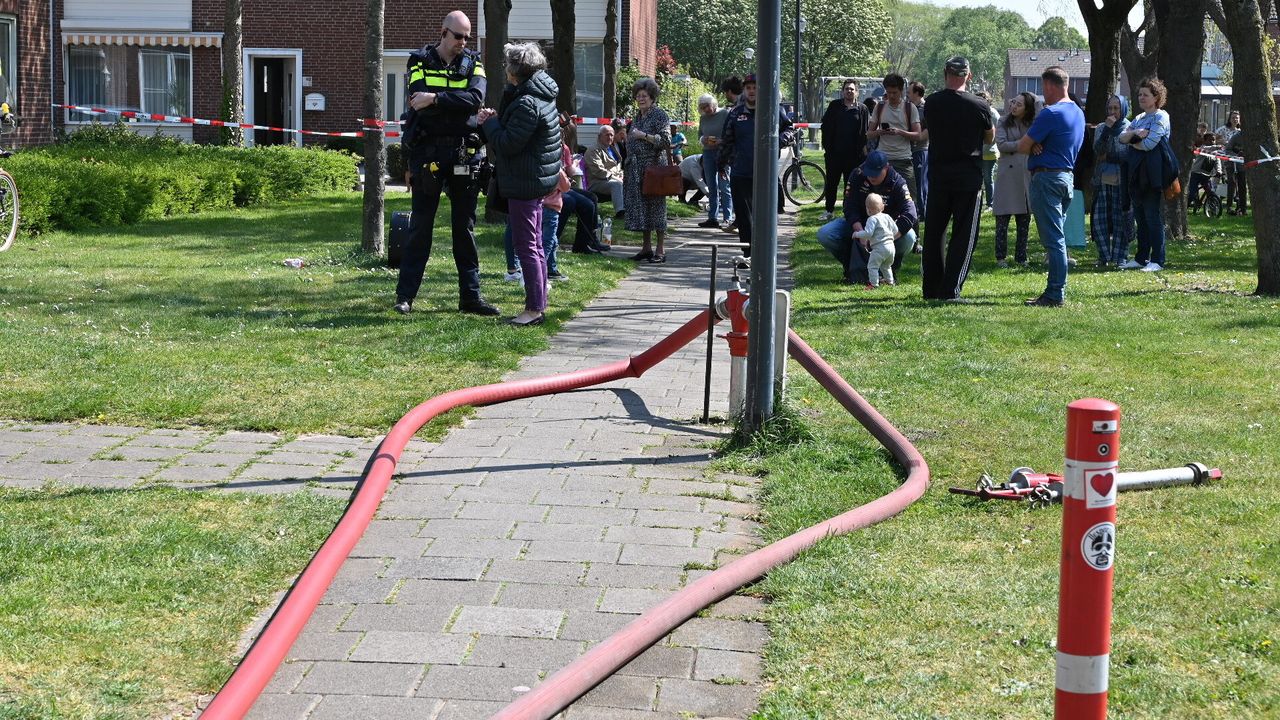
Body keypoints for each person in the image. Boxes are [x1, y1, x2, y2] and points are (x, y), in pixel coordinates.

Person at [393, 11, 499, 316]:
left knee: (464, 230)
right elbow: (417, 103)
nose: (463, 43)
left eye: (466, 37)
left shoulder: (473, 62)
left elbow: (475, 99)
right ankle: (405, 297)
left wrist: (436, 99)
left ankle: (471, 297)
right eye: (457, 36)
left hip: (465, 153)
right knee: (420, 228)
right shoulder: (419, 61)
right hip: (428, 155)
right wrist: (452, 99)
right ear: (443, 32)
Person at [478, 42, 562, 327]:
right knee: (535, 244)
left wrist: (488, 124)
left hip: (525, 181)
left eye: (506, 66)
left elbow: (506, 144)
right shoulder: (538, 92)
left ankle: (534, 309)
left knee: (526, 246)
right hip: (535, 178)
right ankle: (538, 302)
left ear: (515, 71)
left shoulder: (528, 102)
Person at [919, 56, 993, 301]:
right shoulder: (979, 105)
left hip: (939, 175)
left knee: (934, 233)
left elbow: (928, 130)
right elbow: (989, 138)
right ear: (968, 76)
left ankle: (931, 289)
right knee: (963, 234)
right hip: (968, 178)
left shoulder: (931, 102)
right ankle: (951, 290)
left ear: (945, 73)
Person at [1019, 66, 1085, 307]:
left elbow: (1023, 146)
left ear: (1049, 85)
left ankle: (1055, 293)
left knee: (1054, 240)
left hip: (1047, 178)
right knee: (1058, 238)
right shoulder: (1078, 112)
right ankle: (1056, 290)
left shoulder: (1050, 113)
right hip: (1066, 178)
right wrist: (1037, 143)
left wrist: (1034, 144)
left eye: (1043, 88)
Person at [719, 73, 795, 259]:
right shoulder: (736, 113)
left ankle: (765, 255)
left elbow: (789, 129)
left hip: (765, 174)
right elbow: (727, 140)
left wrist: (781, 140)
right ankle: (748, 253)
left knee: (764, 217)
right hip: (741, 172)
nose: (752, 91)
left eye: (755, 87)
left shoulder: (772, 110)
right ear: (744, 91)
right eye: (748, 88)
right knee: (744, 218)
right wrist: (721, 163)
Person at [815, 150, 918, 284]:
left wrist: (887, 237)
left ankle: (890, 268)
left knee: (909, 237)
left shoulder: (897, 181)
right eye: (869, 173)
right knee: (825, 234)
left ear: (886, 168)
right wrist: (860, 232)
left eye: (876, 174)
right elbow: (849, 206)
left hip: (887, 230)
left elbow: (910, 213)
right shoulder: (857, 174)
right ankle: (852, 267)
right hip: (860, 225)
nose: (871, 177)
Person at [1118, 77, 1172, 271]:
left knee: (1152, 218)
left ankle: (1158, 260)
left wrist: (1133, 138)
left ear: (1156, 97)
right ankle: (1141, 258)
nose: (1141, 97)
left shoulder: (1161, 117)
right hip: (1136, 174)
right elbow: (1121, 138)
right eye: (1139, 94)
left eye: (1145, 95)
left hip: (1153, 175)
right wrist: (1137, 133)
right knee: (1140, 217)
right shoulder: (1140, 118)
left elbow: (1150, 144)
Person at [623, 77, 672, 263]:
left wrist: (643, 136)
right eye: (638, 96)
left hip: (653, 169)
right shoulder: (637, 117)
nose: (641, 99)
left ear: (652, 97)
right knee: (642, 208)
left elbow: (665, 141)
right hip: (636, 169)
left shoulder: (659, 115)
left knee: (656, 207)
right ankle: (646, 248)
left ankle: (660, 250)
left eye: (644, 96)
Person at [1090, 93, 1135, 268]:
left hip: (1122, 178)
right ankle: (1103, 256)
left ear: (1123, 108)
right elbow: (1098, 150)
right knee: (1100, 219)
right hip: (1103, 177)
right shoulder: (1102, 128)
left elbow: (1129, 154)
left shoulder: (1130, 127)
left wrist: (1114, 156)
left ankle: (1120, 256)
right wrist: (1107, 131)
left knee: (1120, 218)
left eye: (1116, 108)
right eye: (1110, 108)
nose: (1113, 111)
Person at [992, 92, 1036, 268]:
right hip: (1007, 175)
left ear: (1027, 108)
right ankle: (1000, 257)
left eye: (1019, 104)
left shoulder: (1032, 123)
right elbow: (1001, 144)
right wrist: (1025, 145)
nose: (1014, 107)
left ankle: (1021, 256)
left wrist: (1019, 145)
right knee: (1002, 219)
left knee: (1023, 219)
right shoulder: (1003, 121)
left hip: (1025, 174)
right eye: (1013, 103)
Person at [819, 79, 869, 222]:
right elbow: (826, 125)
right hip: (834, 154)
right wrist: (828, 147)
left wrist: (862, 152)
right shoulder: (835, 106)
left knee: (851, 185)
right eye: (847, 89)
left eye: (852, 89)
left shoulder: (862, 109)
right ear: (842, 91)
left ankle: (849, 211)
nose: (849, 91)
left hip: (854, 156)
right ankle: (829, 210)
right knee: (831, 183)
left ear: (857, 92)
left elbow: (865, 131)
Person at [866, 73, 921, 191]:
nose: (891, 95)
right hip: (882, 160)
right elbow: (869, 134)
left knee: (910, 199)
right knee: (879, 199)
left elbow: (918, 135)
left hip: (903, 160)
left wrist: (899, 132)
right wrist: (880, 132)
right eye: (888, 92)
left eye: (894, 92)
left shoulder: (910, 108)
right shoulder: (879, 107)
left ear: (901, 91)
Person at [697, 94, 732, 228]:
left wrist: (721, 141)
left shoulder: (725, 114)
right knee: (711, 186)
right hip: (707, 152)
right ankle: (712, 217)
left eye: (707, 106)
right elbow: (700, 134)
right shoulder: (703, 118)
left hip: (723, 153)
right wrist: (702, 140)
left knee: (724, 185)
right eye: (703, 107)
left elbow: (731, 133)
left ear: (714, 104)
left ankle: (727, 218)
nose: (706, 109)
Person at [853, 193, 898, 288]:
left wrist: (857, 234)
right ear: (882, 207)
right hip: (891, 247)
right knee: (886, 266)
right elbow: (896, 230)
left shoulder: (872, 219)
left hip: (879, 248)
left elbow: (868, 234)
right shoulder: (887, 217)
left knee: (872, 266)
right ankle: (890, 282)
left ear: (868, 209)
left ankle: (874, 285)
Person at [586, 125, 626, 218]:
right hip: (597, 182)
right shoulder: (593, 150)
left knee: (632, 182)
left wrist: (621, 175)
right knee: (616, 184)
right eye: (607, 135)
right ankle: (620, 212)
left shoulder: (612, 148)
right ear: (599, 136)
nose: (610, 137)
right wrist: (616, 178)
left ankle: (634, 212)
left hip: (612, 179)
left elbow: (617, 167)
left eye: (612, 135)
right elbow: (598, 171)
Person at [975, 90, 1000, 208]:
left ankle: (990, 203)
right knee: (978, 178)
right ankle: (978, 202)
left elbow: (997, 133)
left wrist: (987, 141)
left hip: (989, 152)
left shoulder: (993, 113)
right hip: (977, 152)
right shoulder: (975, 112)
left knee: (988, 178)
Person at [909, 80, 930, 218]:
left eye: (909, 92)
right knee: (913, 182)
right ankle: (916, 209)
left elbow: (929, 129)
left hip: (922, 149)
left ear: (917, 93)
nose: (907, 95)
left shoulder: (926, 108)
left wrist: (918, 137)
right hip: (909, 150)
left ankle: (923, 212)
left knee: (921, 182)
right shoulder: (909, 107)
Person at [1216, 110, 1242, 213]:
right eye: (1233, 117)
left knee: (1239, 181)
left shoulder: (1240, 132)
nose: (1235, 119)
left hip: (1238, 158)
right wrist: (1223, 142)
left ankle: (1239, 204)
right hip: (1225, 157)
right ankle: (1225, 201)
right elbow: (1215, 139)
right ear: (1229, 119)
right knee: (1229, 180)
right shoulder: (1223, 129)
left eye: (1237, 118)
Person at [1187, 133, 1220, 211]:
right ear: (1204, 141)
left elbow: (1217, 162)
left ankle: (1213, 208)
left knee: (1210, 191)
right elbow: (1209, 148)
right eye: (1210, 140)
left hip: (1206, 175)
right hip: (1196, 173)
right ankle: (1185, 207)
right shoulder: (1202, 149)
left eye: (1214, 140)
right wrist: (1217, 147)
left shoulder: (1215, 152)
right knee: (1192, 193)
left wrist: (1219, 171)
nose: (1212, 141)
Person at [1225, 123, 1248, 215]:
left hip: (1242, 166)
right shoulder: (1235, 137)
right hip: (1231, 164)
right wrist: (1237, 156)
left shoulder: (1252, 138)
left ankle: (1243, 208)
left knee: (1242, 186)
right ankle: (1229, 207)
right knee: (1232, 183)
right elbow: (1227, 150)